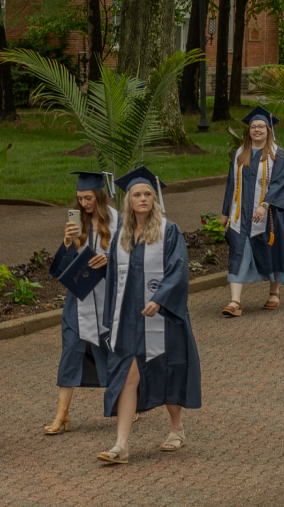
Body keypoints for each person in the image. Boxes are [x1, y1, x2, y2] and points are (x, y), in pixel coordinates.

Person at [95, 167, 202, 464]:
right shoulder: (120, 236)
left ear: (155, 200)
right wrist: (110, 320)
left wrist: (160, 299)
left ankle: (176, 429)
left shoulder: (169, 231)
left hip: (162, 317)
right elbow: (114, 280)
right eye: (137, 195)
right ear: (129, 200)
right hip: (128, 317)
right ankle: (121, 445)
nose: (143, 199)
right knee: (128, 376)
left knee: (167, 369)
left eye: (148, 195)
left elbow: (179, 270)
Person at [44, 171, 117, 435]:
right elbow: (61, 270)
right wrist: (66, 244)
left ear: (100, 195)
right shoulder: (78, 223)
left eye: (88, 198)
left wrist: (110, 261)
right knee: (70, 353)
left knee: (114, 352)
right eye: (79, 199)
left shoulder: (119, 222)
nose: (84, 204)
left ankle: (127, 401)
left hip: (109, 300)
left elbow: (132, 261)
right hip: (79, 300)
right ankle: (62, 414)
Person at [218, 106, 284, 317]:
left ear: (269, 130)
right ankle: (235, 301)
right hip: (240, 215)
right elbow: (231, 185)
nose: (257, 130)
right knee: (238, 252)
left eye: (261, 126)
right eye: (253, 127)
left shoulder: (278, 154)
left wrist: (265, 204)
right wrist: (225, 212)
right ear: (248, 130)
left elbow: (280, 183)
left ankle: (274, 292)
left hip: (268, 215)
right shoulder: (240, 154)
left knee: (271, 251)